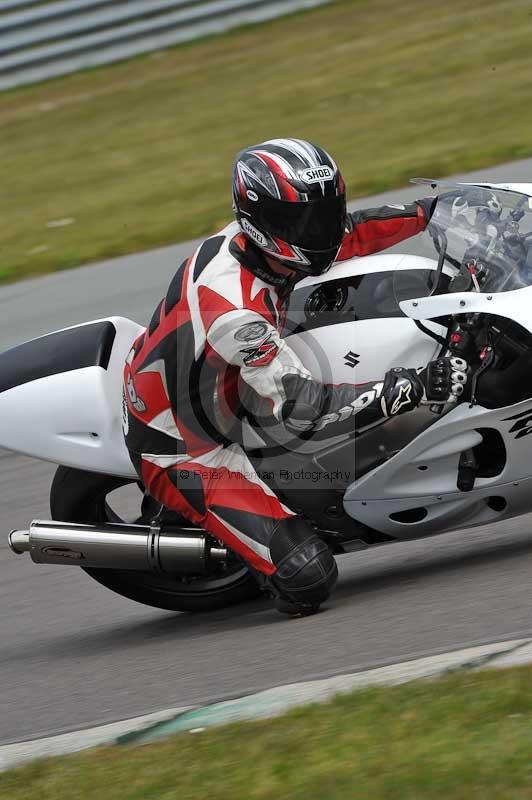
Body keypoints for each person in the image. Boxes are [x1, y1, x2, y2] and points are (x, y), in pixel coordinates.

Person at [123, 138, 467, 616]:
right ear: (260, 222)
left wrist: (436, 212)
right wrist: (408, 389)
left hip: (228, 383)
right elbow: (306, 406)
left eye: (325, 213)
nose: (321, 230)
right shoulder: (234, 311)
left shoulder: (272, 243)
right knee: (309, 577)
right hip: (186, 442)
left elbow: (357, 232)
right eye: (305, 221)